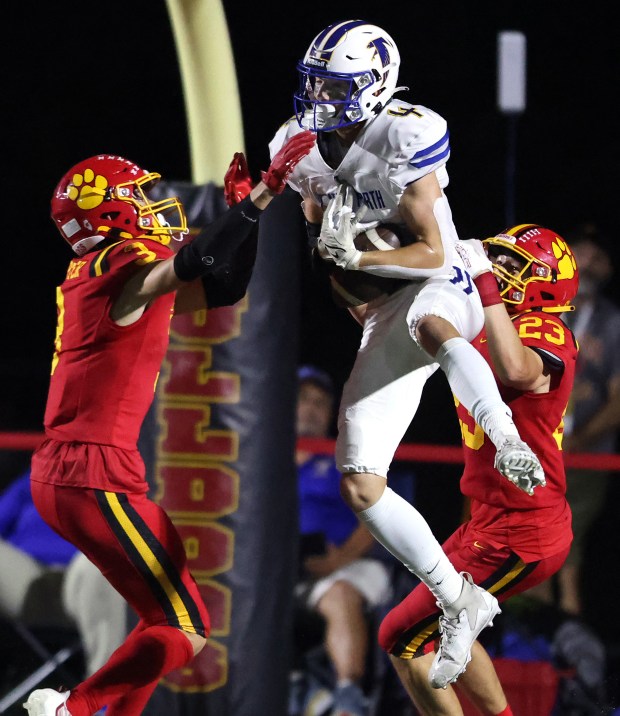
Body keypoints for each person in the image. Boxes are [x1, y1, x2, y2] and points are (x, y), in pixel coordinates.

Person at [264, 19, 547, 687]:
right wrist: (345, 275)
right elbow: (328, 265)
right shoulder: (299, 147)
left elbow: (434, 251)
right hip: (383, 309)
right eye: (317, 85)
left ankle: (505, 436)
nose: (322, 100)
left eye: (337, 87)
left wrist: (359, 252)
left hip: (440, 283)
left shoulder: (407, 131)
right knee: (360, 479)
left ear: (376, 83)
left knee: (430, 325)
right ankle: (459, 599)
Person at [23, 130, 316, 716]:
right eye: (138, 195)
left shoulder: (102, 273)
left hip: (85, 472)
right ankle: (71, 709)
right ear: (108, 213)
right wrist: (261, 195)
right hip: (91, 474)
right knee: (188, 628)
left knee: (166, 623)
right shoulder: (121, 267)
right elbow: (200, 258)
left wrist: (247, 220)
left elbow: (224, 286)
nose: (153, 204)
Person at [378, 224, 579, 714]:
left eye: (516, 266)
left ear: (547, 284)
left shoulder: (545, 327)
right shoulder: (490, 318)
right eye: (501, 259)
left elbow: (516, 370)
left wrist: (486, 281)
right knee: (449, 623)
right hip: (492, 519)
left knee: (402, 636)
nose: (503, 270)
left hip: (523, 527)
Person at [293, 365, 391, 716]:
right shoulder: (263, 458)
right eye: (303, 399)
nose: (311, 408)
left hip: (350, 564)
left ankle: (348, 698)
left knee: (339, 593)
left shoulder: (345, 456)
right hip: (288, 573)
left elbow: (376, 518)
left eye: (321, 402)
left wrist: (339, 560)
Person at [0, 468, 126, 677]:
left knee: (102, 570)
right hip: (30, 574)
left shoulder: (136, 476)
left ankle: (106, 700)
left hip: (89, 575)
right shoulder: (41, 474)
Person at [554, 223, 620, 617]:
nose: (590, 263)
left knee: (565, 535)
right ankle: (527, 633)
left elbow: (618, 401)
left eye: (600, 258)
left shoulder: (612, 322)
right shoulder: (534, 307)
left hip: (585, 452)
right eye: (583, 252)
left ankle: (567, 623)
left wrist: (577, 444)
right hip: (527, 445)